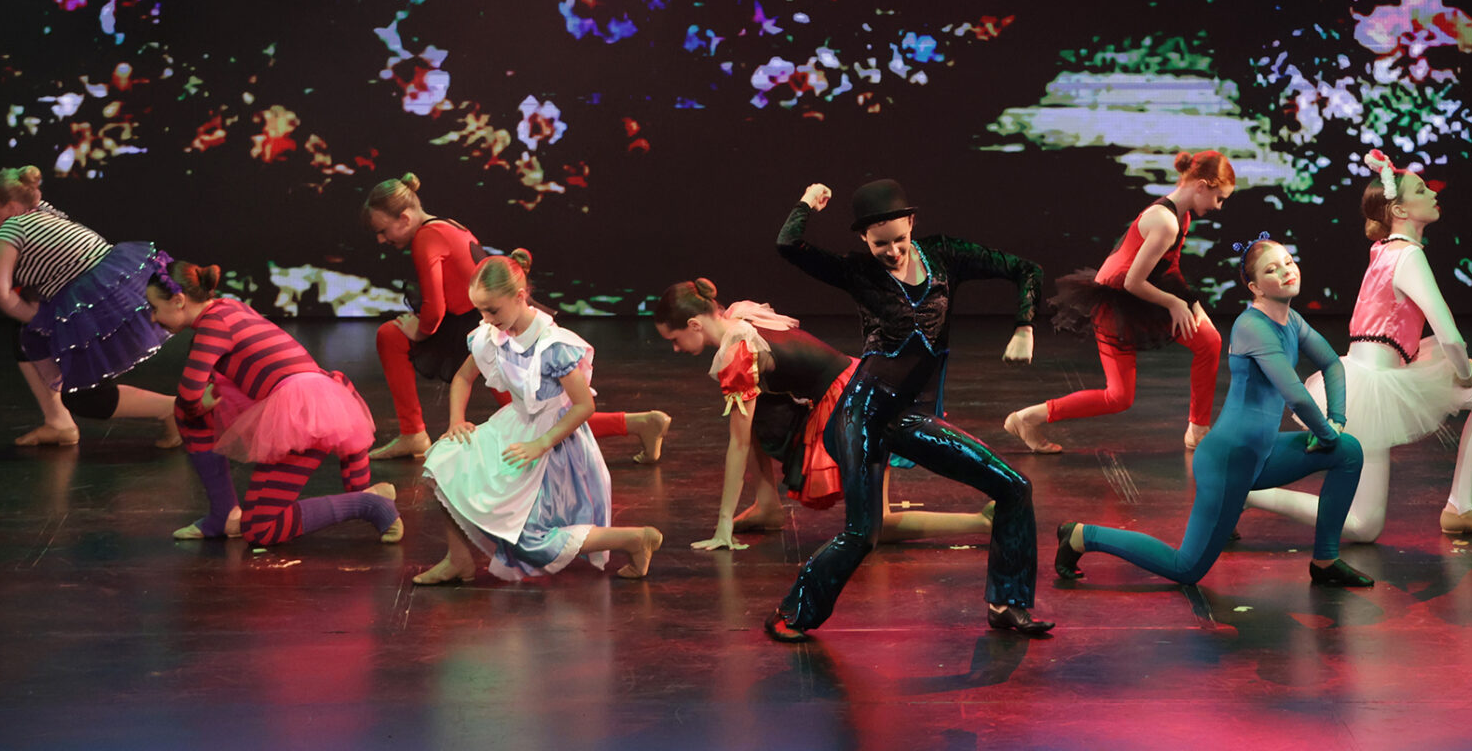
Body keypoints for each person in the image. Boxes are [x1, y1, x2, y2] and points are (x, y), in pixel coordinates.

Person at [765, 179, 1051, 642]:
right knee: (863, 534)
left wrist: (1024, 326)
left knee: (1014, 488)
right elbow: (788, 245)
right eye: (880, 243)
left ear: (913, 223)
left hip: (910, 418)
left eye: (900, 239)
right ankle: (791, 613)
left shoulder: (944, 255)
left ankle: (1007, 604)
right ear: (864, 238)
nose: (893, 251)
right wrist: (806, 204)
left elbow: (1026, 269)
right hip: (861, 416)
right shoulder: (857, 272)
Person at [1055, 238, 1371, 589]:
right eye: (1271, 269)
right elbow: (1295, 394)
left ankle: (1325, 561)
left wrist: (1337, 422)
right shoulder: (1252, 327)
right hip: (1227, 463)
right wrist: (1325, 434)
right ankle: (1081, 535)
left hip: (1262, 454)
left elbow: (1332, 364)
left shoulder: (1292, 321)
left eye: (1288, 262)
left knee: (1347, 451)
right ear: (1255, 287)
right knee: (1186, 569)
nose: (1286, 271)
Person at [1244, 150, 1472, 540]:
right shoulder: (1407, 256)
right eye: (1421, 190)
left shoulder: (1385, 250)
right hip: (1371, 387)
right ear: (1400, 211)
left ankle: (1461, 506)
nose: (1433, 194)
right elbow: (1449, 334)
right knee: (1363, 525)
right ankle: (1246, 492)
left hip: (1380, 373)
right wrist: (1464, 372)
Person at [655, 278, 993, 550]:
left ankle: (985, 521)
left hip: (860, 401)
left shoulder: (738, 352)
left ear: (694, 324)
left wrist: (723, 526)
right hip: (855, 384)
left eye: (674, 339)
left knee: (875, 526)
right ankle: (767, 505)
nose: (675, 348)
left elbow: (738, 445)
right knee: (749, 410)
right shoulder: (740, 317)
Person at [361, 174, 669, 463]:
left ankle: (638, 423)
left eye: (383, 231)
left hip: (488, 324)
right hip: (477, 319)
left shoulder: (426, 239)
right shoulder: (445, 225)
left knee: (533, 416)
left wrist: (419, 329)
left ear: (405, 218)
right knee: (391, 336)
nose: (380, 240)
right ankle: (413, 433)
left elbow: (434, 310)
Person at [413, 250, 663, 584]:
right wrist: (456, 420)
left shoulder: (552, 346)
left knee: (527, 538)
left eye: (492, 310)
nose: (485, 318)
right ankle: (458, 560)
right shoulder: (492, 334)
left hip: (554, 442)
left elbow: (583, 406)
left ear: (519, 297)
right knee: (446, 460)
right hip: (515, 426)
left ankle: (633, 539)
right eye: (480, 310)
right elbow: (462, 377)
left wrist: (541, 444)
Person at [146, 262, 401, 546]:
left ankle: (368, 504)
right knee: (192, 414)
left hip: (300, 410)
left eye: (154, 308)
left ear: (178, 301)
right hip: (315, 398)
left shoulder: (213, 325)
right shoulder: (229, 307)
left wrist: (198, 403)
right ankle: (224, 515)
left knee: (260, 529)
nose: (153, 318)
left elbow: (188, 394)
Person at [1005, 150, 1234, 454]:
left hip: (1141, 296)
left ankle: (1198, 429)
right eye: (1219, 198)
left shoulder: (1182, 216)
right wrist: (1173, 303)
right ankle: (1026, 418)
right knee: (1118, 398)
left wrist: (1192, 303)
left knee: (1209, 341)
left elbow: (1169, 268)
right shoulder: (1165, 221)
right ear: (1202, 186)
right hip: (1116, 303)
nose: (1219, 206)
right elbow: (1131, 282)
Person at [0, 166, 180, 448]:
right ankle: (58, 423)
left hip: (96, 304)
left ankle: (172, 409)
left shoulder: (13, 226)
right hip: (116, 290)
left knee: (83, 396)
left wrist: (34, 317)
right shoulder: (43, 212)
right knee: (26, 337)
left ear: (11, 207)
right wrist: (33, 320)